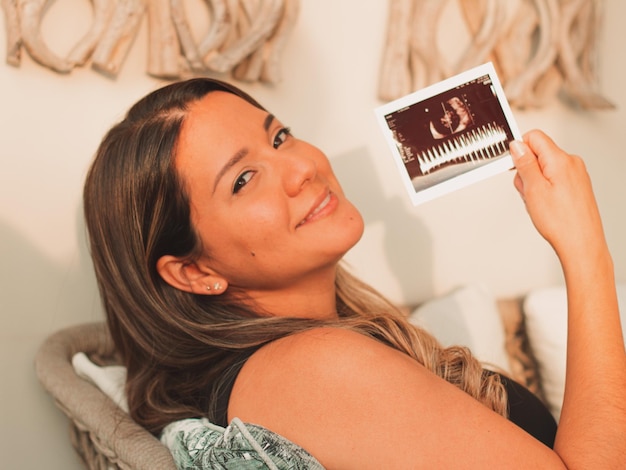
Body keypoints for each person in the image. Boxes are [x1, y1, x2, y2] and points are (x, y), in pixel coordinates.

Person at [83, 78, 626, 468]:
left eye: (280, 137)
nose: (302, 168)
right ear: (192, 271)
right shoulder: (312, 370)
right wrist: (585, 250)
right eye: (244, 179)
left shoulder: (311, 351)